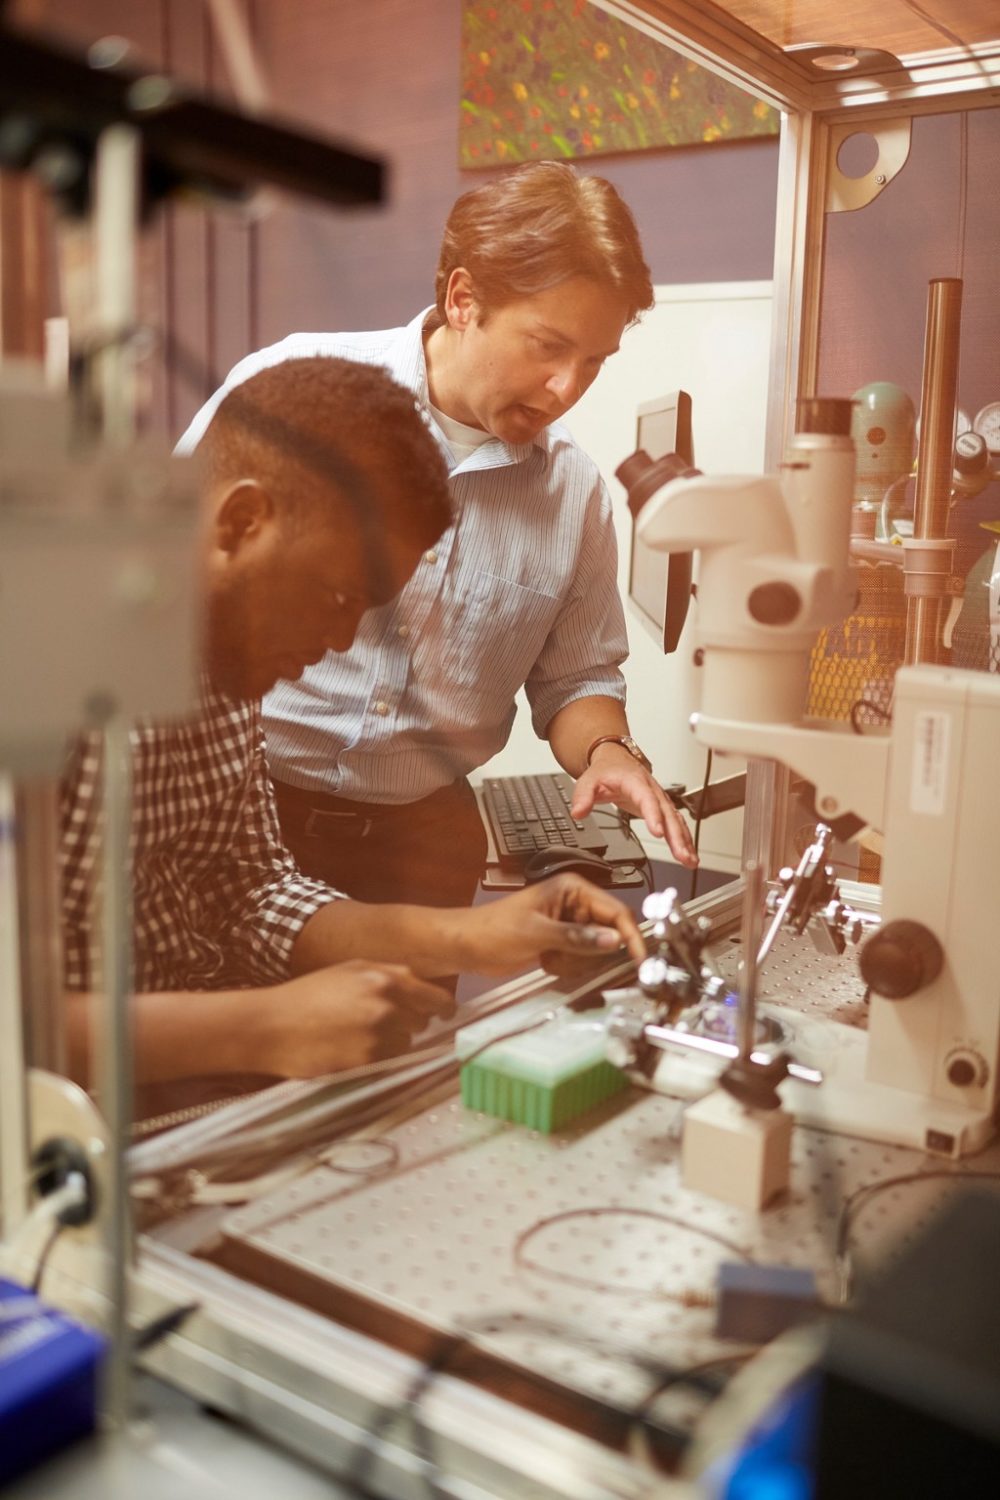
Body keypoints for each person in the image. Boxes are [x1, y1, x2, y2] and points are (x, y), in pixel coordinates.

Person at [61, 357, 646, 1091]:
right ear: (240, 522)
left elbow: (251, 890)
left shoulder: (222, 656)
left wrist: (475, 936)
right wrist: (262, 1026)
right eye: (335, 594)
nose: (340, 640)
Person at [178, 161, 697, 911]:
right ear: (463, 299)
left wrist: (611, 753)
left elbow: (575, 679)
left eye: (593, 362)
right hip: (232, 807)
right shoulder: (292, 388)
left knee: (405, 1029)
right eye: (546, 345)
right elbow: (168, 569)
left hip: (416, 847)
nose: (567, 388)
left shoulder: (572, 494)